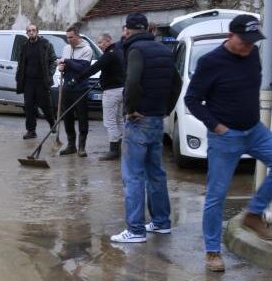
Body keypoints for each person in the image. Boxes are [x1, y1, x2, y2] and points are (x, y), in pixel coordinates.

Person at [184, 14, 272, 272]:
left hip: (254, 130)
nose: (248, 46)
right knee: (216, 195)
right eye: (244, 41)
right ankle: (212, 252)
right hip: (225, 137)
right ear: (230, 37)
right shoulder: (210, 62)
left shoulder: (253, 54)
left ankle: (253, 215)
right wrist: (217, 126)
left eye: (252, 41)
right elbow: (192, 100)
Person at [110, 13, 183, 243]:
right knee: (156, 174)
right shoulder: (163, 50)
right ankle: (161, 222)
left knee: (133, 176)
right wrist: (165, 109)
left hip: (138, 120)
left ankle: (135, 230)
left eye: (125, 30)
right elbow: (177, 84)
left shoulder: (136, 50)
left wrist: (130, 109)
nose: (123, 34)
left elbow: (132, 82)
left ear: (130, 30)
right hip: (156, 119)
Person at [71, 31, 126, 160]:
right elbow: (111, 70)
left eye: (100, 43)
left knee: (109, 121)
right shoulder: (118, 52)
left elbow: (94, 68)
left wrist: (77, 79)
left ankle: (114, 151)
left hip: (112, 92)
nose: (99, 45)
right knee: (119, 120)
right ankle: (122, 148)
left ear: (108, 40)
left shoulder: (109, 55)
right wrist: (102, 78)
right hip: (121, 89)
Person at [57, 23, 94, 156]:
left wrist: (66, 61)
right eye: (67, 37)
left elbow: (82, 68)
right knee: (67, 116)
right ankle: (71, 144)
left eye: (71, 37)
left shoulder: (87, 49)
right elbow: (67, 65)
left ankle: (82, 147)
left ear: (77, 36)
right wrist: (62, 67)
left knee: (82, 116)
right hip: (67, 85)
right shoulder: (66, 48)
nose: (69, 40)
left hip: (80, 87)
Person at [15, 24, 57, 139]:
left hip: (41, 81)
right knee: (29, 107)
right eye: (29, 31)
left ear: (37, 32)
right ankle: (31, 131)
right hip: (28, 82)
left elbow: (53, 61)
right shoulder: (24, 46)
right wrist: (19, 76)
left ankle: (52, 123)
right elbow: (21, 62)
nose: (31, 32)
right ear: (27, 33)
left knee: (46, 106)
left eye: (33, 30)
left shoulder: (45, 44)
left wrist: (49, 74)